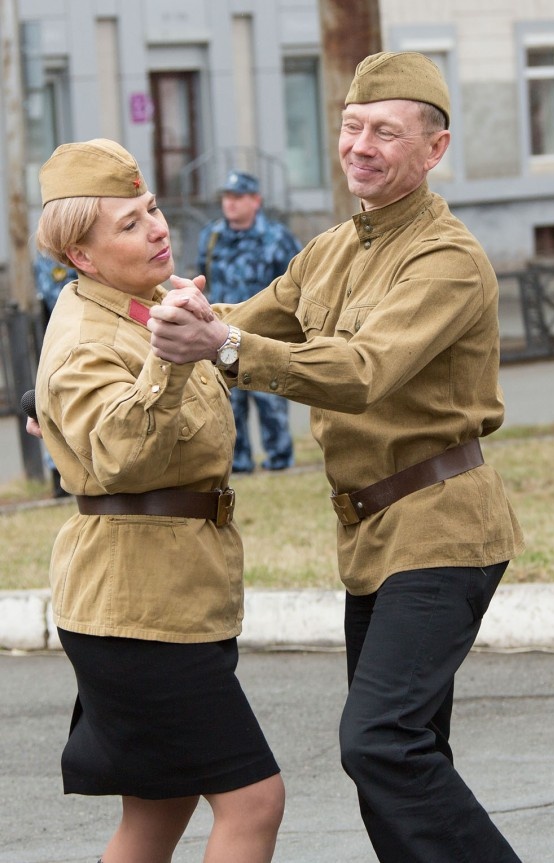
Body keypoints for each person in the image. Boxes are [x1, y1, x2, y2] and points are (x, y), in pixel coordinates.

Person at [147, 52, 525, 863]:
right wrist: (158, 321)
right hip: (372, 535)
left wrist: (224, 343)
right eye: (351, 126)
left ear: (435, 149)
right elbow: (241, 319)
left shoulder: (446, 258)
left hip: (442, 526)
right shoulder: (327, 251)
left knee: (380, 741)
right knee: (408, 754)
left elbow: (360, 371)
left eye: (386, 131)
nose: (360, 145)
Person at [31, 138, 285, 863]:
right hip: (134, 613)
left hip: (172, 597)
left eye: (153, 209)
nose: (157, 227)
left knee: (159, 807)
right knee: (254, 799)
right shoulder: (88, 334)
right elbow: (119, 452)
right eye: (130, 223)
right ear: (82, 255)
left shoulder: (142, 307)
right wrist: (169, 364)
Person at [197, 170, 301, 471]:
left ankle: (280, 462)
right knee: (230, 402)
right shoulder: (213, 235)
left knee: (270, 397)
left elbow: (295, 284)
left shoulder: (278, 237)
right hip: (223, 333)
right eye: (227, 198)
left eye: (239, 197)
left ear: (256, 201)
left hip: (266, 334)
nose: (231, 204)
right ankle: (239, 464)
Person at [32, 253, 77, 497]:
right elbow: (55, 296)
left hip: (87, 335)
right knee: (56, 403)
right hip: (61, 339)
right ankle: (59, 473)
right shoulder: (48, 257)